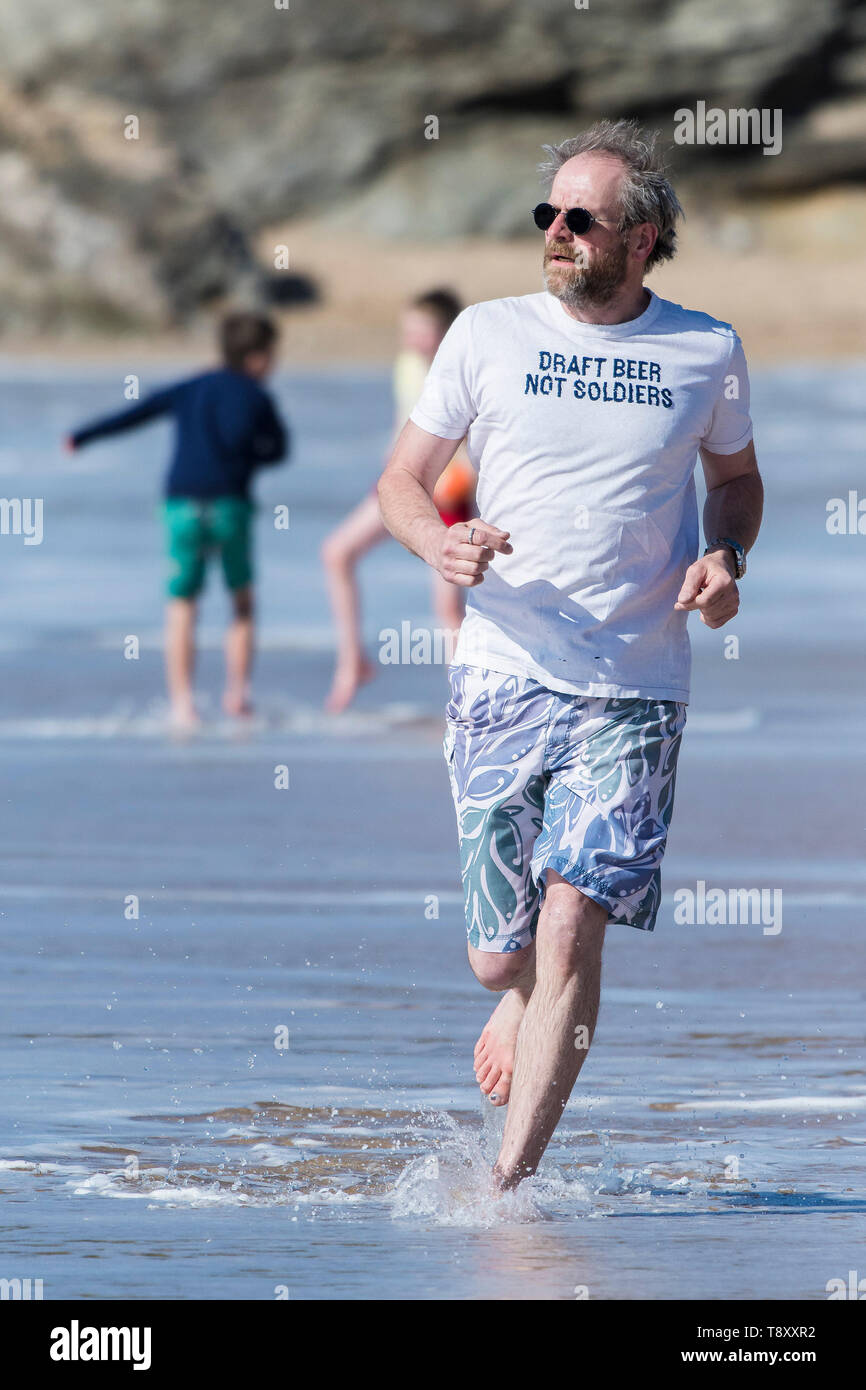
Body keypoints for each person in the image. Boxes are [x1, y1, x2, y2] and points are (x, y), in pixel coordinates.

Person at [378, 119, 764, 1191]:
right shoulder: (484, 335)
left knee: (570, 920)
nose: (555, 232)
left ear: (640, 237)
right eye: (545, 213)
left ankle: (510, 1184)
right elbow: (401, 480)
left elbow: (733, 480)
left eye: (579, 218)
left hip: (635, 684)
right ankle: (515, 994)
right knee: (499, 956)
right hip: (502, 668)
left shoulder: (705, 350)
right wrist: (436, 539)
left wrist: (724, 553)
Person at [66, 311, 288, 728]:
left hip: (181, 507)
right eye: (273, 356)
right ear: (257, 358)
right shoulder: (257, 397)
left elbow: (135, 413)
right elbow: (278, 450)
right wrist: (245, 457)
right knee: (241, 602)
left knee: (183, 603)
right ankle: (238, 695)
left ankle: (184, 704)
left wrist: (81, 436)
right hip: (230, 508)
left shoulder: (190, 387)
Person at [321, 290, 475, 713]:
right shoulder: (406, 366)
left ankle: (465, 701)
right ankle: (352, 662)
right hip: (402, 482)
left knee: (447, 605)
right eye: (407, 330)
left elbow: (476, 446)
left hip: (451, 487)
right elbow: (400, 430)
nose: (412, 339)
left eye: (421, 332)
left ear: (445, 334)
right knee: (337, 552)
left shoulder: (463, 369)